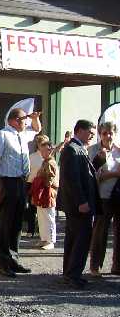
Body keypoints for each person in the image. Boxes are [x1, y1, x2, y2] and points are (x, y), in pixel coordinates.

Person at [0, 108, 41, 277]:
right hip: (6, 181)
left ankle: (13, 260)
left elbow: (37, 130)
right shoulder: (2, 135)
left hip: (20, 181)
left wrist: (34, 118)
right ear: (15, 120)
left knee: (17, 223)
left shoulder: (22, 135)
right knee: (5, 223)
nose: (27, 123)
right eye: (24, 120)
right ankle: (2, 264)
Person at [58, 119, 100, 289]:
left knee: (74, 238)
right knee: (81, 239)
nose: (92, 135)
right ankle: (72, 274)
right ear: (79, 130)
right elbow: (72, 180)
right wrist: (81, 201)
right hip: (78, 205)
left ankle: (70, 273)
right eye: (90, 132)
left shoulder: (77, 148)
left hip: (77, 204)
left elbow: (83, 175)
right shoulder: (72, 149)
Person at [88, 122, 120, 277]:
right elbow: (92, 177)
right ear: (100, 134)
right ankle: (95, 266)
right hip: (103, 197)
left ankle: (117, 266)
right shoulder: (93, 150)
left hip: (118, 196)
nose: (108, 136)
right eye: (105, 133)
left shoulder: (119, 150)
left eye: (111, 133)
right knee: (100, 232)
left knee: (119, 233)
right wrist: (114, 174)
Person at [30, 139, 59, 250]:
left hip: (48, 192)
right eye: (41, 150)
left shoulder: (51, 162)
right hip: (42, 192)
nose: (42, 153)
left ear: (50, 150)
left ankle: (50, 240)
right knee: (41, 216)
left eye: (44, 150)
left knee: (48, 217)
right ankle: (44, 238)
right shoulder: (45, 161)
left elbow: (50, 179)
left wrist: (40, 181)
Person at [24, 134, 49, 238]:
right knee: (32, 207)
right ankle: (31, 230)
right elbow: (27, 171)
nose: (44, 146)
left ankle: (42, 231)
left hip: (44, 184)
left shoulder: (48, 157)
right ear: (38, 145)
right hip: (32, 183)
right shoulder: (32, 156)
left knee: (43, 208)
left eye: (46, 144)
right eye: (41, 144)